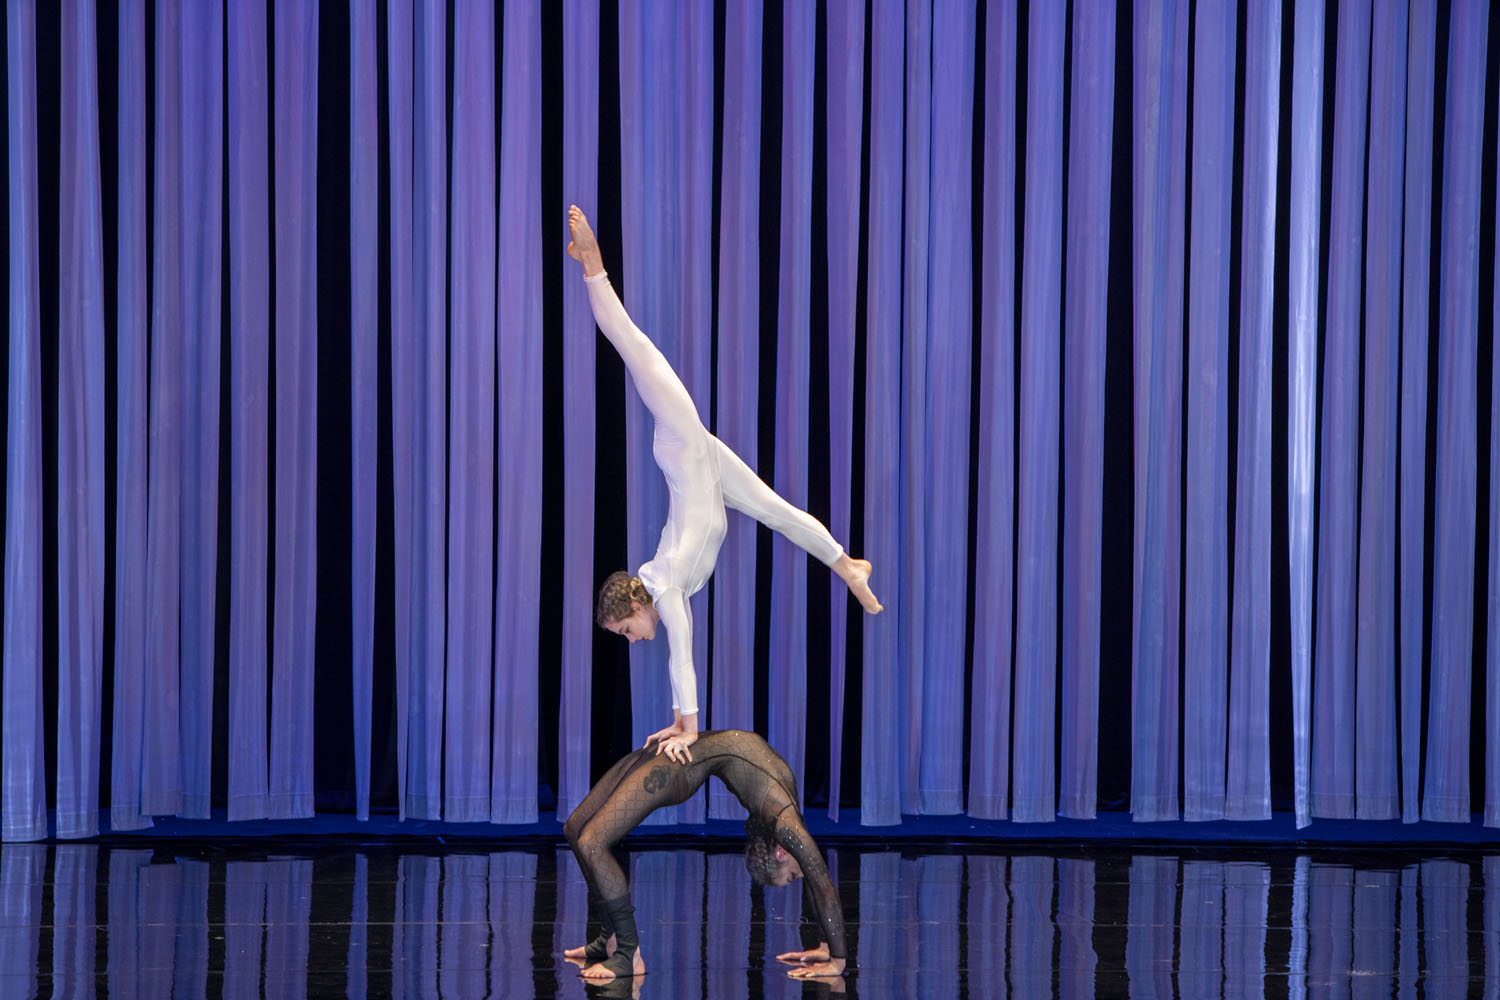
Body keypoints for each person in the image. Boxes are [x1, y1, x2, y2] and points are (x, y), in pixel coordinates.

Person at [568, 206, 882, 764]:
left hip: (685, 444)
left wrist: (690, 727)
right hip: (705, 469)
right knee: (781, 513)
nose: (632, 639)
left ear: (636, 604)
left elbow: (681, 651)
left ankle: (594, 265)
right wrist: (675, 722)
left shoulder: (663, 586)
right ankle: (847, 565)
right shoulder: (664, 584)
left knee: (634, 349)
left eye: (625, 630)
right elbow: (674, 646)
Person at [562, 729, 847, 981]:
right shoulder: (787, 825)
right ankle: (624, 950)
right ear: (781, 851)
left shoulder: (786, 813)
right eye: (791, 876)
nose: (798, 878)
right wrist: (837, 960)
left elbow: (812, 878)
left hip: (685, 753)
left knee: (589, 839)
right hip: (683, 764)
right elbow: (820, 881)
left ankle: (618, 942)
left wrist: (825, 943)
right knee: (579, 832)